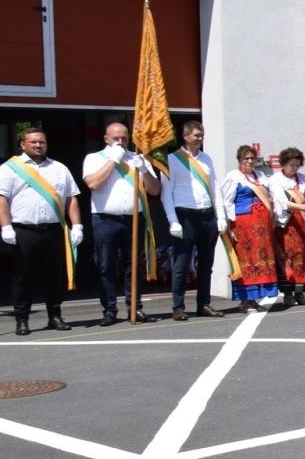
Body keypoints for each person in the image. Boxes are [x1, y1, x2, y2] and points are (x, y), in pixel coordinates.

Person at [0, 128, 82, 335]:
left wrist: (77, 225)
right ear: (23, 144)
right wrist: (6, 226)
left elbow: (71, 198)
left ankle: (55, 316)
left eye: (42, 142)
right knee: (23, 277)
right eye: (34, 142)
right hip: (24, 230)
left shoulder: (59, 168)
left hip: (54, 230)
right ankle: (22, 319)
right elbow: (2, 199)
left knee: (53, 276)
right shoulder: (9, 168)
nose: (38, 145)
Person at [81, 121, 161, 325]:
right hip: (105, 219)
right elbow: (93, 183)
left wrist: (144, 169)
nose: (120, 141)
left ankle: (135, 307)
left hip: (134, 218)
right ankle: (109, 310)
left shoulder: (137, 158)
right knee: (106, 265)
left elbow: (154, 190)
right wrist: (113, 161)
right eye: (115, 138)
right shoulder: (94, 158)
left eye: (124, 137)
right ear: (106, 139)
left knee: (133, 266)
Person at [161, 120, 225, 321]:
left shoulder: (206, 159)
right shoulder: (171, 159)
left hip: (207, 215)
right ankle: (178, 306)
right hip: (184, 215)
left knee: (207, 263)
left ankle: (203, 303)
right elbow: (166, 192)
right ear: (185, 136)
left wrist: (221, 215)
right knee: (181, 263)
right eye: (196, 135)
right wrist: (172, 219)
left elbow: (215, 187)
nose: (199, 139)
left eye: (202, 135)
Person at [216, 145, 282, 313]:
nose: (250, 161)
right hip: (243, 226)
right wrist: (229, 225)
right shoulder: (234, 177)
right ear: (239, 160)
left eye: (252, 158)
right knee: (247, 262)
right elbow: (227, 201)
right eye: (246, 158)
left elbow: (271, 195)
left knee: (261, 261)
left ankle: (255, 299)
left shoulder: (260, 176)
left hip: (262, 227)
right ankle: (245, 300)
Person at [269, 147, 305, 306]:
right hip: (286, 224)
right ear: (283, 164)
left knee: (303, 257)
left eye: (297, 165)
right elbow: (282, 202)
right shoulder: (275, 180)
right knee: (288, 257)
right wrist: (304, 207)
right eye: (291, 165)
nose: (294, 168)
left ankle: (300, 292)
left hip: (302, 223)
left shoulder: (303, 179)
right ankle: (288, 293)